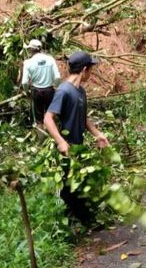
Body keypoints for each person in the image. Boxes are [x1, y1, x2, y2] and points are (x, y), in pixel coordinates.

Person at [44, 51, 109, 222]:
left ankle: (79, 219)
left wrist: (98, 134)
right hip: (66, 147)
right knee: (65, 187)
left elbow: (84, 118)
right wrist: (60, 142)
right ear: (85, 70)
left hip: (77, 146)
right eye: (91, 70)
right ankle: (61, 222)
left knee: (75, 184)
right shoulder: (64, 91)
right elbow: (48, 118)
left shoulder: (80, 91)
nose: (91, 73)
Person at [21, 39, 61, 133]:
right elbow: (57, 77)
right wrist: (57, 87)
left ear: (31, 49)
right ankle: (53, 139)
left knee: (39, 119)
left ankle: (41, 143)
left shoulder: (28, 62)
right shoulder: (50, 59)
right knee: (50, 116)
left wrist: (27, 92)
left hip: (36, 92)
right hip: (50, 91)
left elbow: (24, 82)